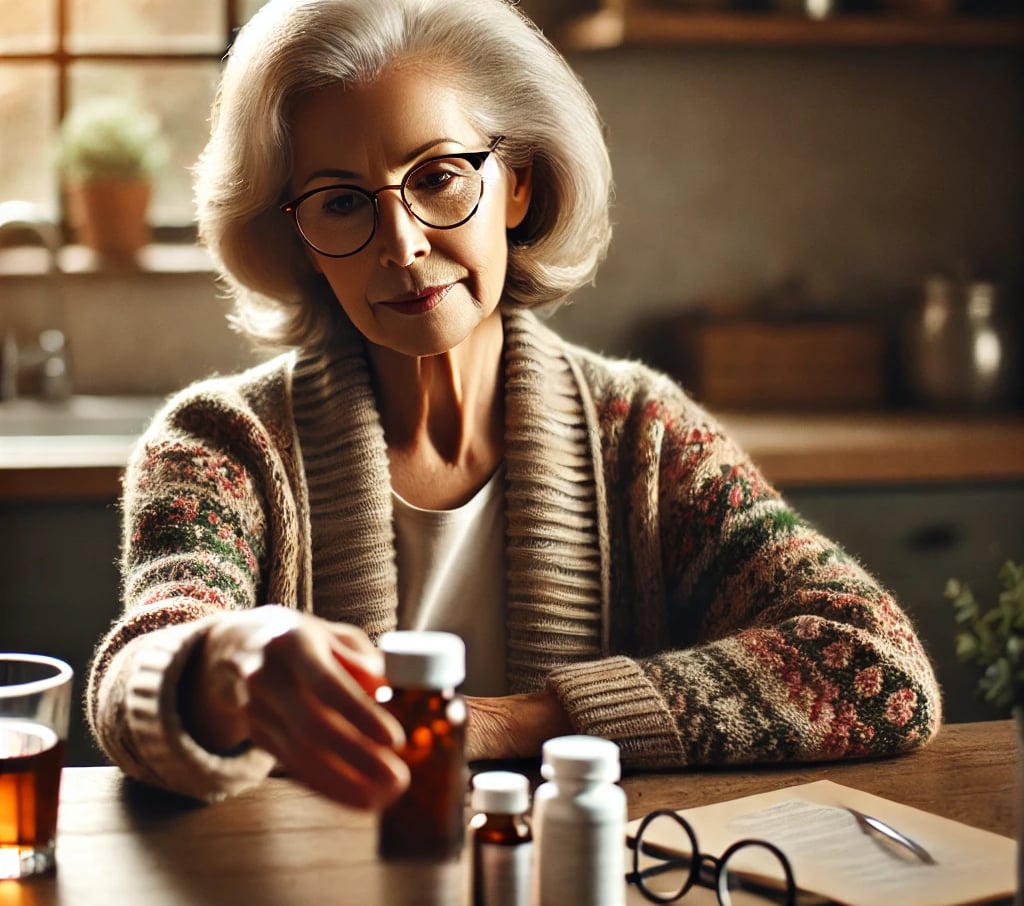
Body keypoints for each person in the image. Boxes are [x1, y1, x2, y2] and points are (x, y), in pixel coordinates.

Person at [87, 0, 941, 810]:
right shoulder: (220, 446)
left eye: (440, 176)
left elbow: (878, 665)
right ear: (299, 240)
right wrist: (219, 662)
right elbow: (136, 683)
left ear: (520, 185)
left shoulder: (644, 436)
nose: (404, 243)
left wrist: (508, 722)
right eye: (343, 202)